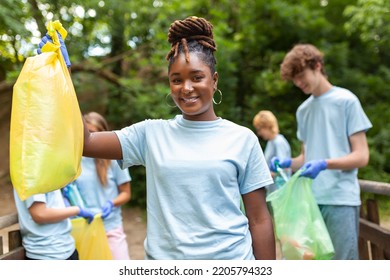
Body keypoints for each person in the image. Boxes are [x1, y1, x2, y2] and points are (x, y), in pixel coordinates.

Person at [38, 16, 276, 260]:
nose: (186, 87)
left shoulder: (242, 139)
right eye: (177, 80)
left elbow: (258, 220)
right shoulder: (150, 134)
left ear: (214, 80)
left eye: (196, 77)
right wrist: (62, 75)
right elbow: (85, 142)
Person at [270, 43, 372, 260]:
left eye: (300, 75)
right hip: (310, 201)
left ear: (317, 65)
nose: (298, 83)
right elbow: (306, 159)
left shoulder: (346, 101)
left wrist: (325, 164)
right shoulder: (303, 110)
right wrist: (286, 162)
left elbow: (362, 156)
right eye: (294, 79)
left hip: (340, 199)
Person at [75, 111, 132, 260]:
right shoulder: (74, 162)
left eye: (92, 134)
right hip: (85, 228)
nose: (87, 140)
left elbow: (126, 192)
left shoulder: (114, 159)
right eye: (84, 134)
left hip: (111, 228)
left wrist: (111, 203)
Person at [13, 188, 94, 260]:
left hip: (64, 247)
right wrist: (77, 210)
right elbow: (39, 214)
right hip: (48, 251)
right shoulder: (33, 172)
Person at [253, 110, 291, 194]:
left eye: (260, 129)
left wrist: (262, 178)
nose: (259, 133)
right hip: (273, 191)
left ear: (267, 126)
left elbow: (283, 168)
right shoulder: (270, 142)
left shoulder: (279, 142)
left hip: (281, 191)